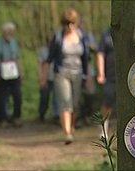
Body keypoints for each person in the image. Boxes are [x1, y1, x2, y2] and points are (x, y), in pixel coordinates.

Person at [43, 8, 91, 144]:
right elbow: (49, 58)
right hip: (61, 73)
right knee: (65, 103)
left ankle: (71, 127)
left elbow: (86, 59)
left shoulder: (82, 37)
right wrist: (44, 77)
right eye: (66, 24)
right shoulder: (58, 37)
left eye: (71, 23)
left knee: (75, 104)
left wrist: (88, 77)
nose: (69, 26)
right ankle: (67, 134)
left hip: (78, 73)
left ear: (76, 23)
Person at [0, 22, 23, 127]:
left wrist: (21, 71)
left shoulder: (14, 43)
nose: (10, 33)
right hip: (1, 74)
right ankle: (3, 118)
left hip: (14, 73)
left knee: (18, 96)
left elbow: (17, 58)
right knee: (2, 97)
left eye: (12, 32)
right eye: (8, 31)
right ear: (3, 32)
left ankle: (16, 117)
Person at [96, 28, 116, 138]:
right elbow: (100, 54)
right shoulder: (107, 35)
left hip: (127, 75)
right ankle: (102, 130)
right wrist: (100, 73)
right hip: (110, 76)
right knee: (107, 102)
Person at [38, 45, 59, 123]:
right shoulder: (43, 50)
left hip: (56, 76)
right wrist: (41, 77)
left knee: (57, 98)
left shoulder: (59, 49)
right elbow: (40, 64)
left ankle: (56, 116)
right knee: (44, 97)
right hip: (45, 77)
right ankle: (41, 114)